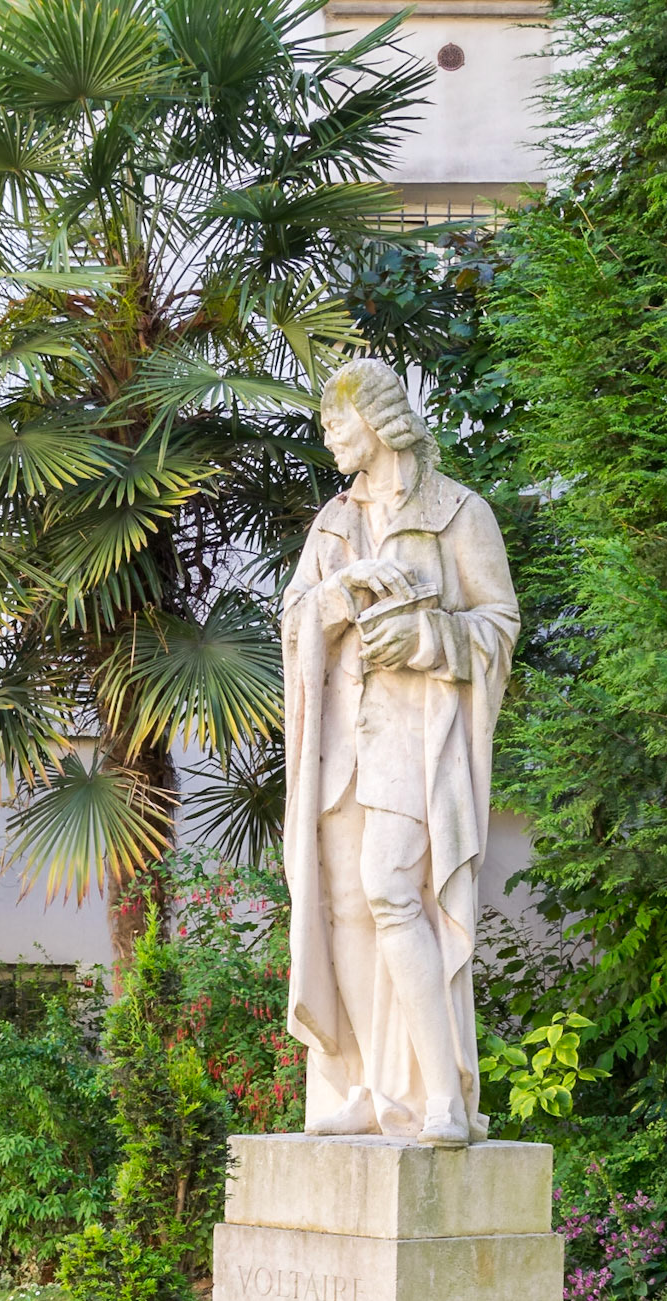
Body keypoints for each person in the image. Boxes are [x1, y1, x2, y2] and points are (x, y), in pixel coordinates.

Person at [281, 359, 519, 1145]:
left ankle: (443, 1096)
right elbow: (295, 623)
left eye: (335, 424)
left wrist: (424, 636)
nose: (328, 439)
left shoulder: (458, 514)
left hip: (417, 741)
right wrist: (346, 593)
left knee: (392, 891)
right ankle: (369, 1086)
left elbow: (499, 626)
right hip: (340, 743)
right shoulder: (333, 523)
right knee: (347, 904)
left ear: (376, 421)